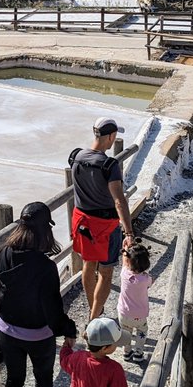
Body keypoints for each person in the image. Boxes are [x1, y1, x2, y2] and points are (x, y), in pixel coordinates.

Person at [0, 201, 78, 387]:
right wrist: (68, 329)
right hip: (37, 336)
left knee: (13, 383)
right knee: (43, 379)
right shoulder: (45, 267)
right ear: (45, 230)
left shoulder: (3, 253)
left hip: (6, 331)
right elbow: (53, 312)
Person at [69, 116, 134, 321]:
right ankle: (95, 316)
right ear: (111, 136)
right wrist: (129, 232)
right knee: (105, 272)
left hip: (82, 222)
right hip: (105, 226)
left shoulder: (76, 157)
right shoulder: (109, 165)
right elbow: (119, 201)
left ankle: (93, 309)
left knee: (88, 265)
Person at [117, 241, 153, 363]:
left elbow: (124, 262)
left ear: (128, 261)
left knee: (125, 333)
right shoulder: (146, 279)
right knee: (141, 331)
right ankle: (138, 353)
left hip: (123, 313)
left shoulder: (124, 274)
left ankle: (127, 353)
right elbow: (150, 284)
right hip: (139, 315)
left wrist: (126, 248)